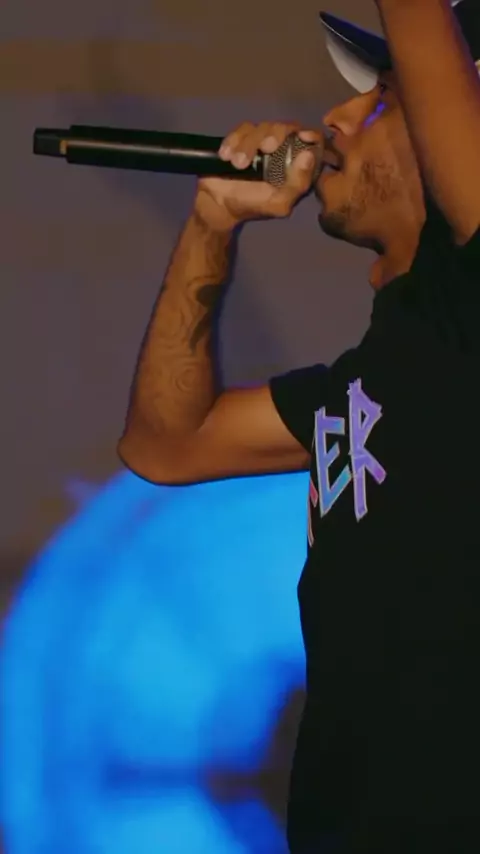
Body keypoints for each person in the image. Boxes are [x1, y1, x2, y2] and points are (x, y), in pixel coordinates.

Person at [118, 0, 480, 850]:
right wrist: (212, 224)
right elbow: (166, 444)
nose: (335, 118)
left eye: (383, 98)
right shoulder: (367, 384)